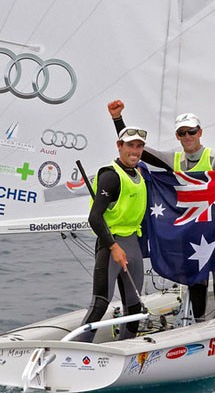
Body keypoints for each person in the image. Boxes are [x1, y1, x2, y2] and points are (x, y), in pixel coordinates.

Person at [107, 99, 215, 321]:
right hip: (192, 237)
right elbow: (137, 150)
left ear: (200, 132)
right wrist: (118, 119)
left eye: (191, 131)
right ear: (177, 137)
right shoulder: (175, 160)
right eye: (182, 133)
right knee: (197, 289)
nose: (188, 136)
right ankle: (200, 331)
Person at [75, 125, 148, 342]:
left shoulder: (138, 173)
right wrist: (114, 247)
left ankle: (126, 349)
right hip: (111, 246)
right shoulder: (110, 176)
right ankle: (75, 351)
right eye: (130, 146)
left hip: (133, 244)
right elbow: (94, 217)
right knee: (100, 304)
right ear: (119, 146)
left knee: (134, 305)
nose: (134, 151)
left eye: (139, 146)